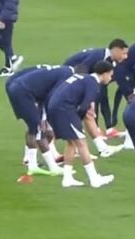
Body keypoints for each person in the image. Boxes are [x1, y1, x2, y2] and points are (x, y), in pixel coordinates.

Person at [45, 61, 118, 189]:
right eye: (110, 75)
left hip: (54, 107)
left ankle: (67, 178)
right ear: (104, 74)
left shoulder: (83, 77)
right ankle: (94, 178)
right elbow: (85, 105)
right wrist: (77, 121)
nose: (111, 78)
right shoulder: (93, 83)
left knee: (72, 143)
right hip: (64, 109)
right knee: (81, 143)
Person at [5, 65, 74, 177]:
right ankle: (53, 167)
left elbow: (44, 95)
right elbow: (52, 97)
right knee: (38, 129)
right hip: (23, 92)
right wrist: (45, 120)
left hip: (20, 89)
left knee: (33, 127)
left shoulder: (61, 72)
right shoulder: (66, 76)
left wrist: (43, 118)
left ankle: (32, 165)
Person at [64, 39, 130, 136]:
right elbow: (82, 68)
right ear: (115, 50)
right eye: (123, 53)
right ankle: (95, 128)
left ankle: (109, 128)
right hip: (70, 75)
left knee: (103, 95)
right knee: (95, 98)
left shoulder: (111, 61)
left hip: (87, 76)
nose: (125, 57)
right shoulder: (99, 55)